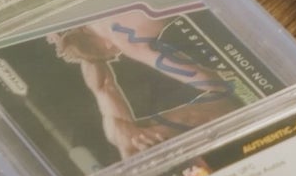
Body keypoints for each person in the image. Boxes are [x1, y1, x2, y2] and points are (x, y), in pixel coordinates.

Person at [45, 10, 247, 159]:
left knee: (139, 137)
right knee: (133, 137)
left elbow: (215, 83)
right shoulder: (95, 13)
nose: (117, 55)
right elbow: (103, 84)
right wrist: (72, 42)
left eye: (112, 54)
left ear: (106, 44)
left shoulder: (127, 41)